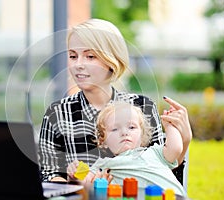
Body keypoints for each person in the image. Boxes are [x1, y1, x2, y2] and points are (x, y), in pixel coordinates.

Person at [38, 18, 192, 183]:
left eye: (90, 56)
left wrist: (185, 140)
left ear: (112, 60)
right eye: (73, 56)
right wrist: (78, 183)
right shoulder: (57, 114)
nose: (78, 64)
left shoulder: (142, 107)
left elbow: (164, 172)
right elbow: (48, 177)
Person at [67, 101, 187, 196]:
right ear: (103, 141)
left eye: (131, 127)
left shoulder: (154, 152)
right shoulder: (105, 164)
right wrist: (76, 173)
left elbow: (176, 148)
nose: (124, 132)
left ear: (142, 135)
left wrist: (169, 126)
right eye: (115, 129)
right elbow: (86, 182)